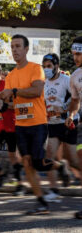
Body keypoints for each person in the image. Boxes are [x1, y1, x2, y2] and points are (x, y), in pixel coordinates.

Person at [0, 34, 67, 215]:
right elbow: (15, 103)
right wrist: (2, 105)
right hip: (21, 125)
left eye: (18, 46)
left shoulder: (36, 69)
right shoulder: (11, 76)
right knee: (27, 162)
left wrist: (13, 91)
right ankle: (41, 202)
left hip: (38, 123)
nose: (14, 50)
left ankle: (60, 167)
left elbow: (36, 92)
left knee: (38, 162)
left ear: (26, 49)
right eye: (12, 47)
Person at [0, 63, 24, 196]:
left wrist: (5, 106)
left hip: (10, 125)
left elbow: (18, 105)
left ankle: (20, 184)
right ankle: (1, 173)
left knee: (13, 156)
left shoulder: (7, 85)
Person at [42, 53, 76, 202]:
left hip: (68, 123)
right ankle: (54, 190)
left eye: (49, 66)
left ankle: (65, 168)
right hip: (53, 124)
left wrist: (62, 108)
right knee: (48, 157)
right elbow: (43, 103)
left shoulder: (66, 80)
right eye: (44, 67)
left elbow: (76, 99)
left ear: (56, 66)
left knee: (73, 160)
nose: (46, 70)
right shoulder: (44, 83)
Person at [66, 36, 82, 219]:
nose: (75, 58)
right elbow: (75, 101)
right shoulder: (75, 76)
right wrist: (71, 115)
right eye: (74, 54)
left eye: (79, 54)